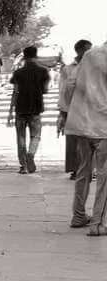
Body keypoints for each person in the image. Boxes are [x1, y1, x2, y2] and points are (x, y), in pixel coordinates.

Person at [60, 41, 107, 234]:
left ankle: (78, 215)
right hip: (104, 126)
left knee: (83, 172)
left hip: (81, 124)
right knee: (104, 176)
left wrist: (68, 112)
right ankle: (98, 223)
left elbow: (70, 85)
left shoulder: (89, 55)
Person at [8, 46, 51, 174]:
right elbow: (45, 90)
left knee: (20, 138)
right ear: (36, 56)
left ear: (24, 57)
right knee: (36, 136)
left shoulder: (18, 73)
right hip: (36, 108)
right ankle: (31, 154)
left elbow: (15, 91)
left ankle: (24, 166)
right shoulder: (43, 71)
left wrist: (10, 110)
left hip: (20, 109)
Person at [59, 40, 94, 180]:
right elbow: (62, 90)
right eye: (87, 50)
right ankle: (74, 169)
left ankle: (90, 169)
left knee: (91, 140)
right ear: (79, 51)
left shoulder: (94, 68)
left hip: (91, 109)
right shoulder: (68, 69)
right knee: (73, 141)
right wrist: (63, 110)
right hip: (72, 108)